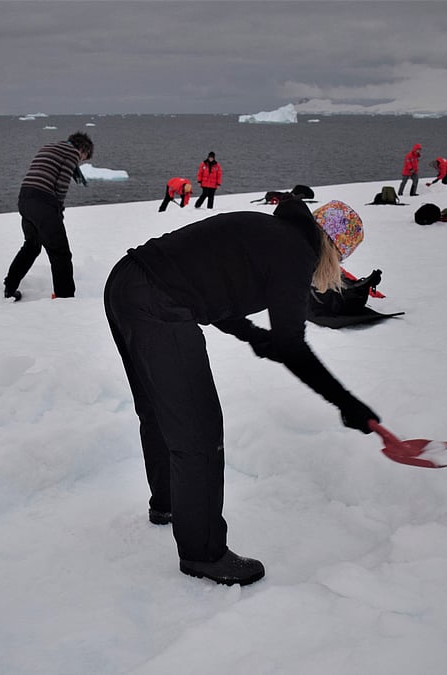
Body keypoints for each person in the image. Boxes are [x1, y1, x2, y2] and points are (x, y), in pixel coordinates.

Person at [103, 198, 379, 586]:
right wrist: (347, 404)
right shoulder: (295, 253)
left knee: (158, 409)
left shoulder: (267, 231)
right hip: (157, 304)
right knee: (198, 432)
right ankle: (204, 554)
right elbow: (292, 347)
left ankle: (167, 504)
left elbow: (210, 285)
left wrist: (252, 335)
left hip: (124, 283)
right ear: (334, 249)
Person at [2, 131, 94, 301]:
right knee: (60, 253)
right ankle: (65, 299)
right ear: (82, 149)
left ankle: (10, 287)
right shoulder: (72, 152)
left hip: (25, 199)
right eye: (84, 157)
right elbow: (61, 184)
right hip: (43, 202)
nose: (80, 160)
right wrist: (58, 211)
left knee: (32, 246)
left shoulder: (48, 147)